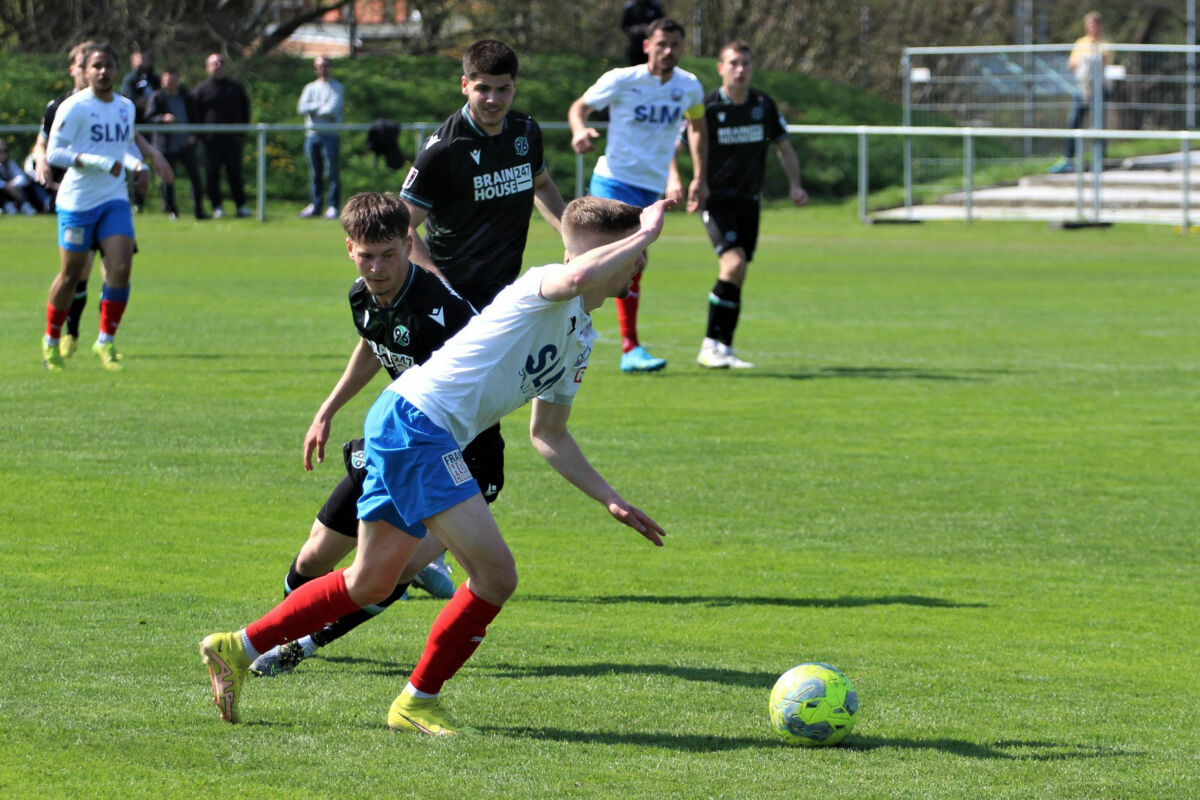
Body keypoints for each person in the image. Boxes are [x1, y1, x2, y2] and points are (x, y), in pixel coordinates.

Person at [200, 196, 671, 733]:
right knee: (495, 575)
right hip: (417, 427)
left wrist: (609, 496)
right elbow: (576, 276)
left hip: (410, 426)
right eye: (630, 255)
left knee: (372, 582)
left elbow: (549, 435)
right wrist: (647, 233)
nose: (638, 264)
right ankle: (417, 701)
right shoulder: (541, 285)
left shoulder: (580, 341)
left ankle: (236, 647)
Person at [247, 192, 504, 678]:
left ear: (410, 244)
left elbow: (484, 388)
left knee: (390, 571)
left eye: (389, 254)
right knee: (315, 554)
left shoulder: (443, 313)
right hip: (397, 447)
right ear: (350, 249)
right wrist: (327, 410)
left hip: (465, 460)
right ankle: (281, 626)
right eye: (367, 256)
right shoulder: (361, 295)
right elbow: (372, 343)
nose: (378, 267)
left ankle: (299, 647)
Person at [569, 18, 707, 373]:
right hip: (612, 181)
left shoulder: (688, 86)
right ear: (647, 45)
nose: (668, 51)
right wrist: (580, 129)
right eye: (661, 44)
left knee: (632, 265)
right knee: (592, 257)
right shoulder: (622, 79)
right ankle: (577, 329)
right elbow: (579, 107)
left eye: (675, 44)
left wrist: (699, 177)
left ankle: (627, 348)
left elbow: (697, 128)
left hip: (649, 189)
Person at [667, 41, 807, 370]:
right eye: (733, 63)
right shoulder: (707, 107)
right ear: (721, 68)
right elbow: (673, 148)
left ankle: (724, 347)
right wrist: (675, 179)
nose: (740, 69)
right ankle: (709, 345)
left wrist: (796, 184)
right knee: (733, 264)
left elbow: (784, 148)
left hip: (750, 202)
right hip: (716, 201)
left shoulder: (763, 104)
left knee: (738, 272)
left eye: (745, 63)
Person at [400, 39, 566, 312]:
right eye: (483, 89)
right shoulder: (444, 148)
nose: (493, 99)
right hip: (453, 290)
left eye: (503, 89)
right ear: (465, 85)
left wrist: (570, 238)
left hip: (505, 292)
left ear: (515, 86)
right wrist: (439, 287)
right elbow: (402, 224)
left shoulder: (525, 131)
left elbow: (542, 184)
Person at [42, 43, 150, 373]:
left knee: (120, 267)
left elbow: (125, 146)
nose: (103, 72)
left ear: (116, 70)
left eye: (109, 66)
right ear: (85, 71)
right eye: (97, 66)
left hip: (113, 199)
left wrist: (139, 166)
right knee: (72, 274)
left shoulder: (125, 107)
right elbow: (54, 153)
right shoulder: (74, 107)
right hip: (77, 202)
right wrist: (100, 162)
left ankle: (105, 341)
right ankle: (51, 339)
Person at [1050, 11, 1113, 173]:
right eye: (1090, 24)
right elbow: (1072, 63)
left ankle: (1099, 159)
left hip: (1099, 89)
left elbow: (1105, 60)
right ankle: (1069, 158)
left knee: (1098, 125)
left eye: (1096, 24)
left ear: (1100, 26)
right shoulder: (1080, 43)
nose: (1093, 27)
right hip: (1082, 89)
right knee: (1074, 122)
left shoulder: (1105, 43)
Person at [193, 53, 251, 218]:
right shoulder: (201, 89)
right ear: (207, 67)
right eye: (213, 63)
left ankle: (241, 205)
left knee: (235, 173)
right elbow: (195, 113)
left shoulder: (235, 87)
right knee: (212, 174)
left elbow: (245, 111)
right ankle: (217, 206)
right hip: (210, 141)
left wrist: (242, 132)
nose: (217, 66)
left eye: (220, 63)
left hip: (232, 139)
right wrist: (200, 135)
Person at [147, 68, 208, 220]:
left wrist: (194, 135)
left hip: (185, 144)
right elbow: (149, 118)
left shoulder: (187, 97)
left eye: (174, 80)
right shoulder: (157, 97)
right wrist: (163, 119)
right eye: (168, 80)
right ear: (163, 81)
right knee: (168, 179)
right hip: (166, 145)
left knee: (195, 177)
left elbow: (196, 117)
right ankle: (171, 210)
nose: (171, 83)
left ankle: (199, 210)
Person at [297, 56, 345, 219]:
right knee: (315, 173)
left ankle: (333, 206)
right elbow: (302, 108)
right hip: (312, 135)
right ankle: (315, 205)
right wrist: (320, 105)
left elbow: (332, 110)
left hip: (330, 135)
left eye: (325, 65)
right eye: (319, 66)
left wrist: (315, 109)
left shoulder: (337, 87)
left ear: (330, 67)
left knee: (332, 171)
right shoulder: (310, 88)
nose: (322, 69)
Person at [118, 49, 160, 213]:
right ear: (132, 61)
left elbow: (162, 99)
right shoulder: (130, 79)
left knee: (157, 163)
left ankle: (165, 203)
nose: (143, 60)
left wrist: (149, 103)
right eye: (139, 57)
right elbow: (131, 102)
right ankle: (137, 202)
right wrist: (151, 102)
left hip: (155, 128)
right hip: (134, 129)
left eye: (146, 56)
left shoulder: (155, 79)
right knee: (136, 164)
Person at [620, 0, 666, 65]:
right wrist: (634, 29)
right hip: (635, 43)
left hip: (652, 43)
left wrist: (649, 29)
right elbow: (624, 26)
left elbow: (662, 24)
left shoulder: (655, 6)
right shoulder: (630, 7)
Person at [0, 140, 40, 215]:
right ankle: (6, 206)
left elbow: (21, 177)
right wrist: (6, 185)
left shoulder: (9, 163)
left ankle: (24, 205)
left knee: (26, 186)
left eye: (5, 150)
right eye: (0, 151)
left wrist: (11, 184)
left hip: (11, 189)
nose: (3, 154)